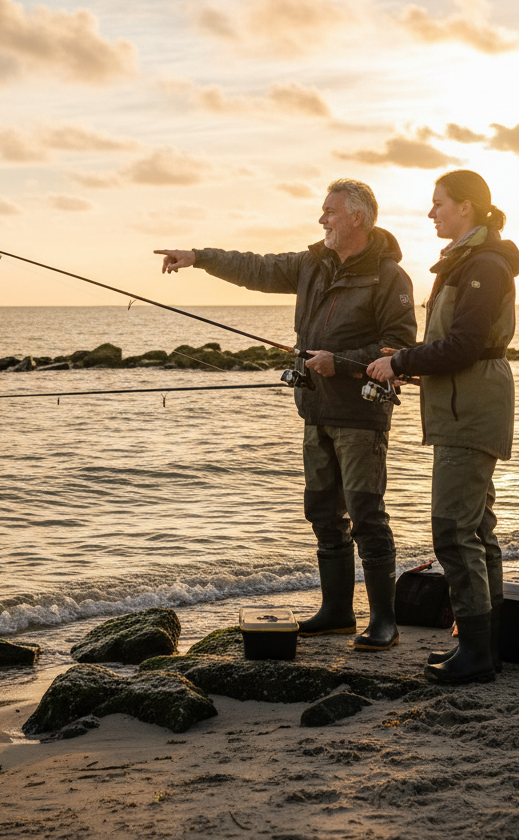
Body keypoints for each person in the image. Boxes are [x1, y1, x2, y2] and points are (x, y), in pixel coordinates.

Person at [155, 179, 416, 651]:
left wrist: (341, 362)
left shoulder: (389, 276)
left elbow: (399, 349)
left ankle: (384, 621)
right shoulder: (310, 263)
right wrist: (198, 256)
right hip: (314, 410)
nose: (322, 219)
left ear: (356, 217)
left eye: (330, 211)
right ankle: (337, 612)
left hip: (360, 418)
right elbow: (254, 267)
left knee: (367, 515)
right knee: (321, 513)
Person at [367, 169, 518, 684]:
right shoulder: (469, 260)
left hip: (471, 409)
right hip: (464, 404)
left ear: (467, 208)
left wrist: (403, 360)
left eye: (439, 203)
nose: (430, 212)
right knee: (477, 528)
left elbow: (465, 345)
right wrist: (407, 361)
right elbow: (458, 345)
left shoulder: (485, 264)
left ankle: (476, 652)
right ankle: (485, 648)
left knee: (454, 530)